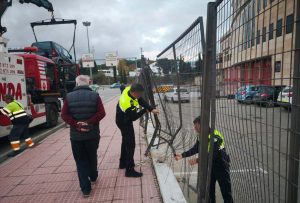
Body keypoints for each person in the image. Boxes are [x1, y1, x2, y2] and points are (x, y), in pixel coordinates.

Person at [61, 75, 106, 198]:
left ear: (76, 84)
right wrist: (89, 122)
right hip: (92, 134)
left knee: (80, 161)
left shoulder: (69, 97)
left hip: (76, 136)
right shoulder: (95, 96)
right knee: (92, 155)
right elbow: (102, 113)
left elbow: (64, 115)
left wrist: (76, 124)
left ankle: (85, 189)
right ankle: (93, 175)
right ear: (89, 83)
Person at [175, 116, 233, 203]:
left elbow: (214, 154)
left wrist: (198, 160)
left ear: (202, 125)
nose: (194, 128)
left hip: (221, 167)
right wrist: (182, 155)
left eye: (196, 126)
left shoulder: (215, 136)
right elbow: (196, 148)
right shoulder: (201, 136)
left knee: (226, 194)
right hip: (210, 168)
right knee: (209, 193)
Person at [116, 83, 159, 177]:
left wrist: (151, 109)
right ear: (134, 92)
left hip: (122, 119)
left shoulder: (128, 89)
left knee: (125, 142)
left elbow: (140, 100)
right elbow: (134, 117)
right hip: (124, 122)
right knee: (130, 145)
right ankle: (129, 170)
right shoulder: (126, 103)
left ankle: (122, 163)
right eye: (139, 94)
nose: (140, 96)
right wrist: (145, 110)